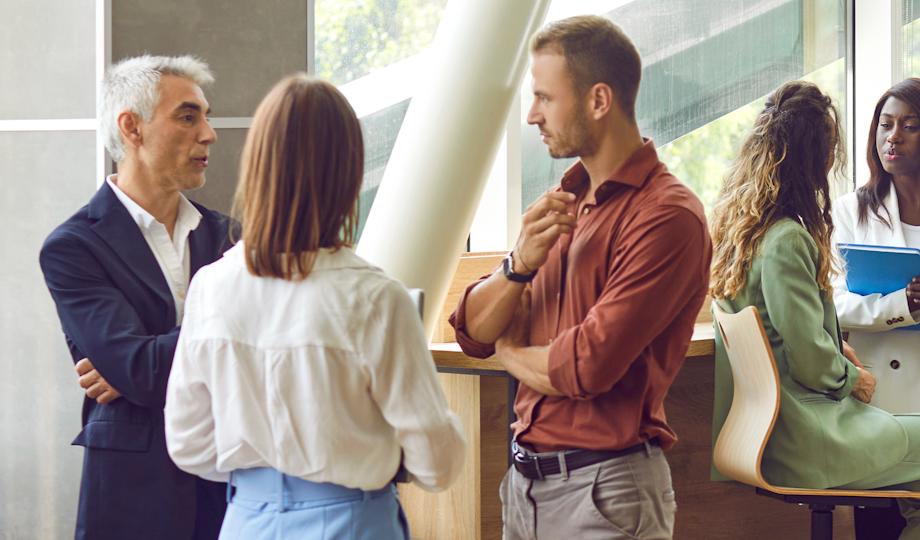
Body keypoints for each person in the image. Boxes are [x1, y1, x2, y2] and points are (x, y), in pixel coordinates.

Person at [163, 73, 466, 540]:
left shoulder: (212, 287)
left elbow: (189, 444)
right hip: (352, 520)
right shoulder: (375, 297)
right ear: (347, 173)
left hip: (246, 520)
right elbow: (436, 462)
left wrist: (267, 472)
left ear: (258, 167)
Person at [450, 15, 711, 540]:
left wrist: (511, 353)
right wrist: (518, 265)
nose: (531, 115)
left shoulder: (667, 215)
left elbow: (588, 367)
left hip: (605, 491)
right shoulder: (561, 208)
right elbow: (472, 332)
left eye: (545, 98)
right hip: (524, 489)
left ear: (598, 101)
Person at [710, 80, 920, 539]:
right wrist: (853, 376)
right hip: (803, 437)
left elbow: (789, 336)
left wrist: (836, 349)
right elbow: (807, 358)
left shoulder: (744, 232)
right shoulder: (788, 240)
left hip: (771, 430)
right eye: (829, 148)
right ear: (814, 156)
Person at [38, 55, 229, 539]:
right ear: (132, 128)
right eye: (188, 117)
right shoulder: (74, 246)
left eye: (205, 117)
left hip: (231, 487)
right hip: (134, 499)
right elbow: (140, 372)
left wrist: (137, 361)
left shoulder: (230, 239)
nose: (208, 133)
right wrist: (231, 340)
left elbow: (273, 348)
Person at [832, 77, 920, 538]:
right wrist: (901, 305)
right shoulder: (851, 211)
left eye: (910, 125)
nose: (894, 136)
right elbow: (832, 303)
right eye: (886, 125)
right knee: (880, 527)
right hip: (879, 395)